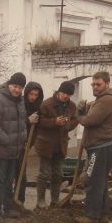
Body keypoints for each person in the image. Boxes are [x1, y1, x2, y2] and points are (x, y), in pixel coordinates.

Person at [74, 71, 112, 223]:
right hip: (104, 147)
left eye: (98, 84)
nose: (95, 87)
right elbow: (91, 111)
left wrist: (78, 115)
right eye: (93, 84)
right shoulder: (100, 100)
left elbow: (89, 121)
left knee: (92, 180)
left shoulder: (106, 101)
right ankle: (103, 213)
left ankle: (92, 215)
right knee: (101, 182)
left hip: (101, 148)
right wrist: (84, 108)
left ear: (107, 84)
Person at [0, 72, 28, 223]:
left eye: (20, 87)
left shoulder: (20, 101)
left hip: (14, 149)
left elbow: (21, 123)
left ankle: (7, 208)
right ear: (9, 84)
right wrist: (6, 139)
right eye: (15, 86)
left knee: (9, 180)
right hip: (0, 148)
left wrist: (23, 139)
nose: (17, 90)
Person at [34, 80, 79, 208]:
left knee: (58, 174)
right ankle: (40, 201)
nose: (65, 96)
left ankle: (55, 200)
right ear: (59, 91)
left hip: (61, 145)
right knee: (44, 174)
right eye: (64, 93)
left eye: (68, 94)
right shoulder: (46, 104)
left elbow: (75, 120)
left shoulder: (72, 106)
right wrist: (54, 122)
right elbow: (40, 122)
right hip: (46, 145)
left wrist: (67, 125)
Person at [14, 81, 44, 204]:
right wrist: (27, 121)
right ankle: (8, 201)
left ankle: (19, 200)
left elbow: (36, 131)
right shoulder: (19, 103)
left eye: (36, 95)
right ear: (26, 93)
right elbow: (13, 123)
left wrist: (29, 143)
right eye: (31, 94)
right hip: (13, 143)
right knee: (11, 173)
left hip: (25, 145)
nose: (33, 97)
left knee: (22, 174)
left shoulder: (38, 108)